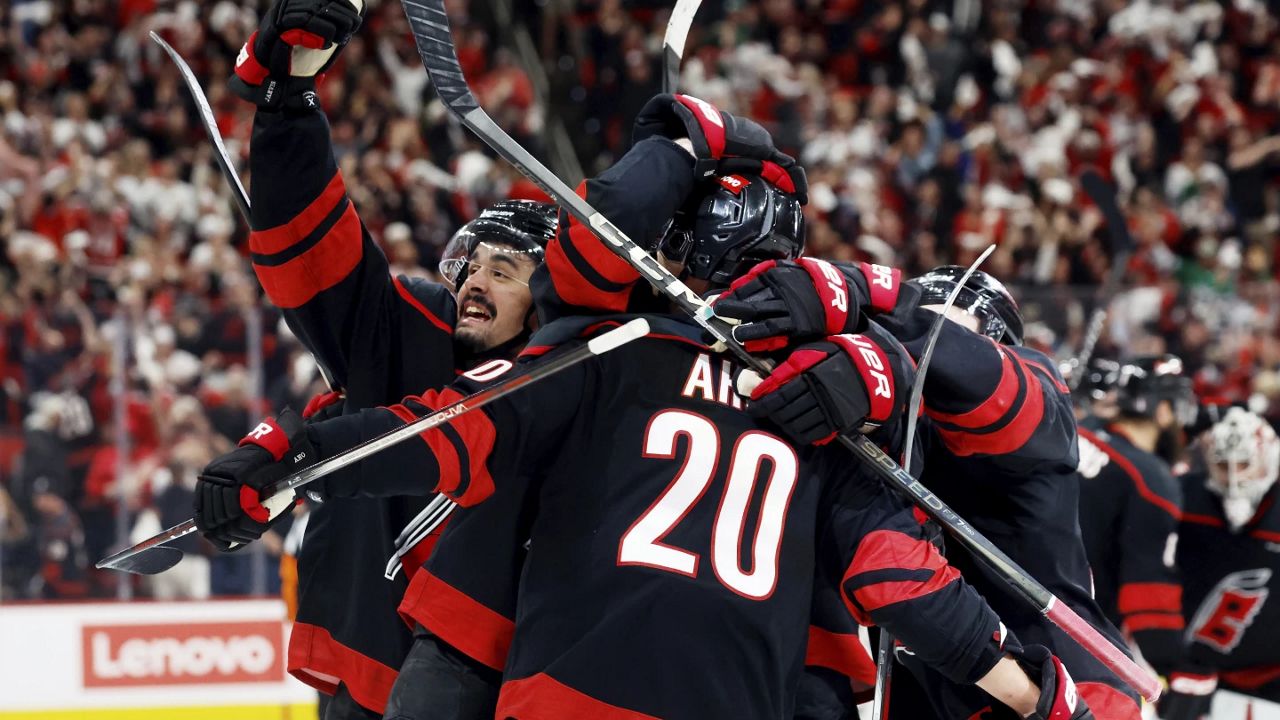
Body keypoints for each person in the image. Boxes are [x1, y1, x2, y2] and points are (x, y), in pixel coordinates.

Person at [221, 1, 556, 716]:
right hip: (378, 679)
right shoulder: (416, 331)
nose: (475, 282)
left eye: (505, 271)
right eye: (471, 267)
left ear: (551, 298)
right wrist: (289, 97)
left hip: (519, 685)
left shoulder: (584, 373)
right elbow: (313, 254)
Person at [714, 263, 1142, 717]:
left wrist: (877, 305)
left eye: (945, 325)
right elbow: (881, 568)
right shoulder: (883, 423)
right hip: (942, 681)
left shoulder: (1034, 387)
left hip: (1064, 683)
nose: (917, 338)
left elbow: (983, 383)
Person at [1159, 407, 1280, 720]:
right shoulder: (1185, 495)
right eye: (1224, 466)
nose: (1236, 477)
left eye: (1244, 464)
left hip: (1268, 676)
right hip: (1187, 668)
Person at [1074, 356, 1192, 674]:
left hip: (997, 604)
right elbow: (1146, 592)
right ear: (1164, 410)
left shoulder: (1072, 432)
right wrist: (1178, 667)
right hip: (1077, 636)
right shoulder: (1151, 479)